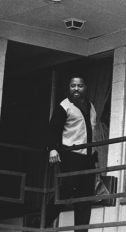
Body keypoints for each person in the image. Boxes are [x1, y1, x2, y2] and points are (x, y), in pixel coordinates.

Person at [46, 76, 97, 232]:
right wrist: (53, 148)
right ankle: (41, 223)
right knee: (65, 192)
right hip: (71, 156)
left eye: (80, 86)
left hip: (88, 158)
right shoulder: (64, 106)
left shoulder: (90, 105)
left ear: (85, 87)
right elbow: (53, 129)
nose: (76, 89)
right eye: (73, 85)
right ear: (69, 87)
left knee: (85, 198)